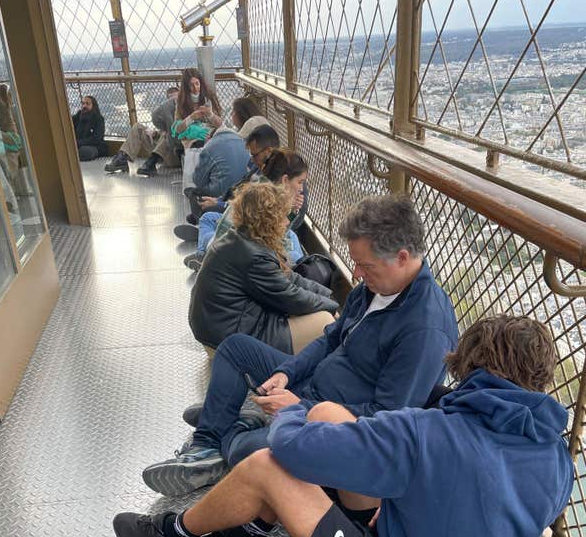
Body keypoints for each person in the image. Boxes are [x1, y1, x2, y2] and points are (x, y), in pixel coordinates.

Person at [113, 315, 573, 537]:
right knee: (329, 415)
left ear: (468, 365)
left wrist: (291, 410)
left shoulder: (429, 433)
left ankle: (175, 530)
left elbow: (292, 450)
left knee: (269, 464)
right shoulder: (555, 458)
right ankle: (244, 535)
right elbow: (497, 525)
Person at [134, 193, 458, 495]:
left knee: (247, 449)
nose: (356, 274)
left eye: (365, 266)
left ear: (402, 257)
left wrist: (298, 408)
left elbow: (384, 418)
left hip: (330, 420)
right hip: (309, 386)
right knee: (235, 348)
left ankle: (233, 423)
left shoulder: (424, 330)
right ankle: (206, 445)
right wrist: (287, 373)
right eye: (355, 263)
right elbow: (330, 339)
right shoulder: (375, 289)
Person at [188, 181, 338, 355]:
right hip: (229, 341)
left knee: (318, 312)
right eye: (282, 217)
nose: (285, 222)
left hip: (221, 329)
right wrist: (333, 307)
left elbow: (288, 279)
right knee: (325, 322)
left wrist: (327, 296)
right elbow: (290, 297)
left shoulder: (242, 238)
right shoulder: (254, 255)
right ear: (268, 221)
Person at [183, 148, 307, 272]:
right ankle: (303, 268)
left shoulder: (261, 186)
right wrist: (290, 210)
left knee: (208, 222)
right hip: (238, 258)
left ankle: (202, 253)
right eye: (300, 182)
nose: (301, 188)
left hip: (226, 247)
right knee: (294, 253)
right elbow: (273, 240)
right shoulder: (268, 200)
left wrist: (292, 210)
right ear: (285, 180)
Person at [177, 123, 279, 250]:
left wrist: (220, 204)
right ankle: (206, 240)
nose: (251, 159)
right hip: (236, 209)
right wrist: (218, 200)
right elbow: (239, 189)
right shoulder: (256, 167)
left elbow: (252, 208)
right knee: (208, 216)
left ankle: (205, 243)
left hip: (249, 222)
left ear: (268, 151)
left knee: (205, 210)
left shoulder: (275, 175)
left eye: (254, 155)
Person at [105, 87, 179, 175]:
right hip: (162, 152)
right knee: (138, 127)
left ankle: (151, 163)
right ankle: (122, 159)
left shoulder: (183, 114)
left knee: (168, 133)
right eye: (169, 99)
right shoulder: (166, 113)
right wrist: (155, 133)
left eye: (174, 99)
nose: (171, 102)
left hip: (175, 154)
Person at [171, 68, 222, 149]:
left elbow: (220, 124)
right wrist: (191, 118)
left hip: (211, 134)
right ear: (186, 87)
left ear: (201, 83)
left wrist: (210, 115)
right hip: (192, 139)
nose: (195, 88)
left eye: (197, 83)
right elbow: (177, 129)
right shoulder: (181, 101)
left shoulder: (210, 97)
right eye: (191, 85)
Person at [72, 95, 107, 162]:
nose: (84, 106)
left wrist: (78, 143)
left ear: (93, 106)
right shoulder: (78, 116)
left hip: (94, 146)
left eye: (87, 104)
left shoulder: (98, 119)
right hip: (78, 145)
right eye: (83, 103)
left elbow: (96, 139)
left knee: (85, 151)